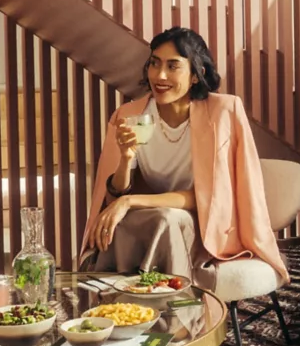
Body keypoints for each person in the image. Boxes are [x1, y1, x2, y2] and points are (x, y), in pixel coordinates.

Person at [81, 26, 287, 289]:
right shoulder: (131, 115)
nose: (160, 75)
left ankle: (176, 319)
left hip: (205, 223)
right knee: (133, 222)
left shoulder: (223, 112)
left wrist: (130, 201)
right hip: (151, 216)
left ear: (195, 75)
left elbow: (207, 197)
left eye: (173, 66)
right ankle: (122, 311)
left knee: (166, 219)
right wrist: (125, 159)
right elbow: (112, 197)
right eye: (154, 64)